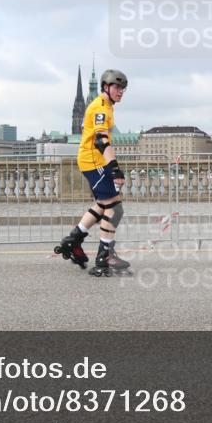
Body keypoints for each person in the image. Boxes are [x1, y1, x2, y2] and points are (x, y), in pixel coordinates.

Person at [55, 69, 131, 277]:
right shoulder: (100, 107)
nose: (120, 91)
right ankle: (104, 256)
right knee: (115, 208)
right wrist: (114, 169)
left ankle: (73, 240)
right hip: (93, 161)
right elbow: (100, 140)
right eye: (117, 87)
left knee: (102, 204)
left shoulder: (106, 106)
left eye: (123, 88)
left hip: (94, 160)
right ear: (106, 87)